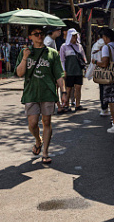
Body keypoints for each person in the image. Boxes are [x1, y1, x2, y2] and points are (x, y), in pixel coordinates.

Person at [16, 25, 66, 165]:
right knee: (32, 124)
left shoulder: (52, 53)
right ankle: (38, 140)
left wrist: (63, 91)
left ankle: (45, 152)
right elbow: (20, 73)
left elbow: (59, 75)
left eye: (41, 33)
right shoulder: (24, 52)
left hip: (48, 92)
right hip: (31, 93)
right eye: (36, 34)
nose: (39, 36)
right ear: (30, 37)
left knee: (47, 122)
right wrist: (25, 57)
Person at [97, 27, 114, 134]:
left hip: (110, 77)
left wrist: (95, 62)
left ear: (105, 37)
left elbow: (104, 63)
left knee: (112, 102)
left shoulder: (106, 47)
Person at [59, 28, 87, 113]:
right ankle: (66, 105)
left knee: (78, 87)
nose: (74, 38)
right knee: (69, 88)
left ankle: (78, 104)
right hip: (69, 70)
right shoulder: (64, 46)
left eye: (75, 36)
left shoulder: (79, 46)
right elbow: (62, 60)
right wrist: (64, 70)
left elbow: (83, 58)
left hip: (78, 70)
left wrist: (85, 68)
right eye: (73, 36)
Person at [90, 33, 107, 116]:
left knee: (102, 90)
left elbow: (92, 58)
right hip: (109, 70)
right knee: (109, 90)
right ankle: (107, 108)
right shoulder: (108, 45)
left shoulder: (95, 45)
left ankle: (103, 108)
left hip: (99, 70)